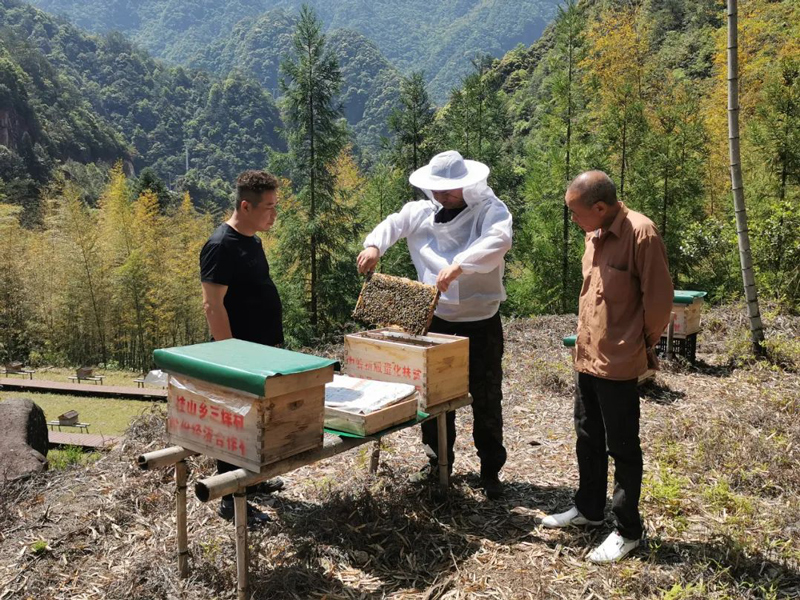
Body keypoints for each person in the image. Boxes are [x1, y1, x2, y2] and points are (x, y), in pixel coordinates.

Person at [356, 150, 512, 500]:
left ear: (468, 185)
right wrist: (373, 246)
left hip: (481, 322)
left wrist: (461, 264)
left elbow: (498, 240)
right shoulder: (421, 212)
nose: (443, 196)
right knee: (434, 395)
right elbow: (393, 223)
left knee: (486, 398)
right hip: (435, 319)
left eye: (451, 190)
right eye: (438, 189)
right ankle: (437, 463)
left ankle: (490, 471)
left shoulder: (490, 210)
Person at [540, 171, 673, 563]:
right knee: (588, 436)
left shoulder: (641, 234)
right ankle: (589, 509)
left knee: (623, 447)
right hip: (587, 356)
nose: (573, 220)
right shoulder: (593, 232)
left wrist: (637, 345)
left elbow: (660, 304)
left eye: (575, 213)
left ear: (599, 207)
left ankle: (627, 530)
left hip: (618, 360)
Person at [200, 169, 285, 524]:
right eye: (268, 207)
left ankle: (252, 481)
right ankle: (228, 498)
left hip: (263, 348)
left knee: (257, 421)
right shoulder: (221, 245)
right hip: (238, 353)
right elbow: (212, 305)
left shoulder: (253, 238)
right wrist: (229, 355)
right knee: (233, 423)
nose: (274, 215)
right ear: (245, 205)